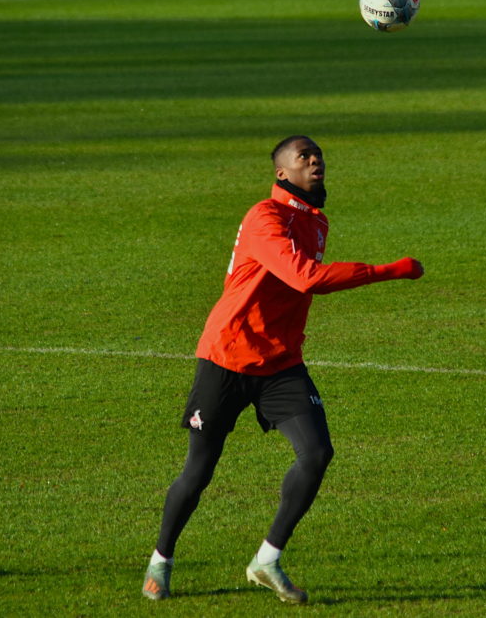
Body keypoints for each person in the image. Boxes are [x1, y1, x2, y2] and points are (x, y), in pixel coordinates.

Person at [142, 135, 424, 604]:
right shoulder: (264, 217)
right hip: (228, 355)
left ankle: (267, 560)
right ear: (282, 173)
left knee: (316, 454)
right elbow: (305, 278)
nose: (316, 162)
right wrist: (387, 270)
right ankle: (161, 561)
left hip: (281, 361)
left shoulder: (314, 221)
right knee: (199, 471)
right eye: (304, 157)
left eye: (320, 157)